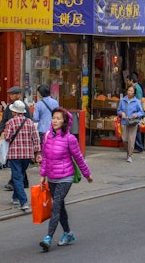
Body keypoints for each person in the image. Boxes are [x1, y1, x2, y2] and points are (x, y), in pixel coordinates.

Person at [39, 108, 93, 252]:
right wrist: (42, 175)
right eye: (53, 118)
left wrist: (87, 174)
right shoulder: (47, 136)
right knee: (60, 206)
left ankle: (48, 238)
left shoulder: (70, 138)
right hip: (52, 177)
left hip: (66, 177)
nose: (55, 120)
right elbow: (45, 157)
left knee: (55, 205)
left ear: (64, 122)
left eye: (58, 118)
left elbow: (78, 158)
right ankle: (68, 233)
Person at [4, 100, 41, 212]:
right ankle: (16, 197)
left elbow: (7, 137)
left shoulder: (10, 122)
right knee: (19, 175)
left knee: (17, 177)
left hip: (15, 154)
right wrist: (38, 152)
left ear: (14, 112)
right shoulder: (30, 122)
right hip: (27, 154)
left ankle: (23, 202)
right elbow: (36, 138)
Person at [0, 85, 32, 191]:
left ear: (18, 95)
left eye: (13, 94)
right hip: (12, 139)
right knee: (17, 162)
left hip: (23, 140)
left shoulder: (24, 107)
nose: (10, 96)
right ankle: (23, 181)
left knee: (17, 162)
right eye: (10, 94)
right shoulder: (9, 107)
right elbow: (3, 121)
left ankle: (13, 182)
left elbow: (30, 122)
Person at [117, 84, 144, 163]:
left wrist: (136, 115)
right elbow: (118, 110)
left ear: (134, 93)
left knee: (131, 139)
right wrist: (121, 113)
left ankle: (130, 155)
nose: (129, 92)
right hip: (124, 122)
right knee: (124, 139)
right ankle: (128, 151)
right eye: (129, 90)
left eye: (131, 91)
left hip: (133, 122)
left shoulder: (136, 101)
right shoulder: (122, 100)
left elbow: (141, 112)